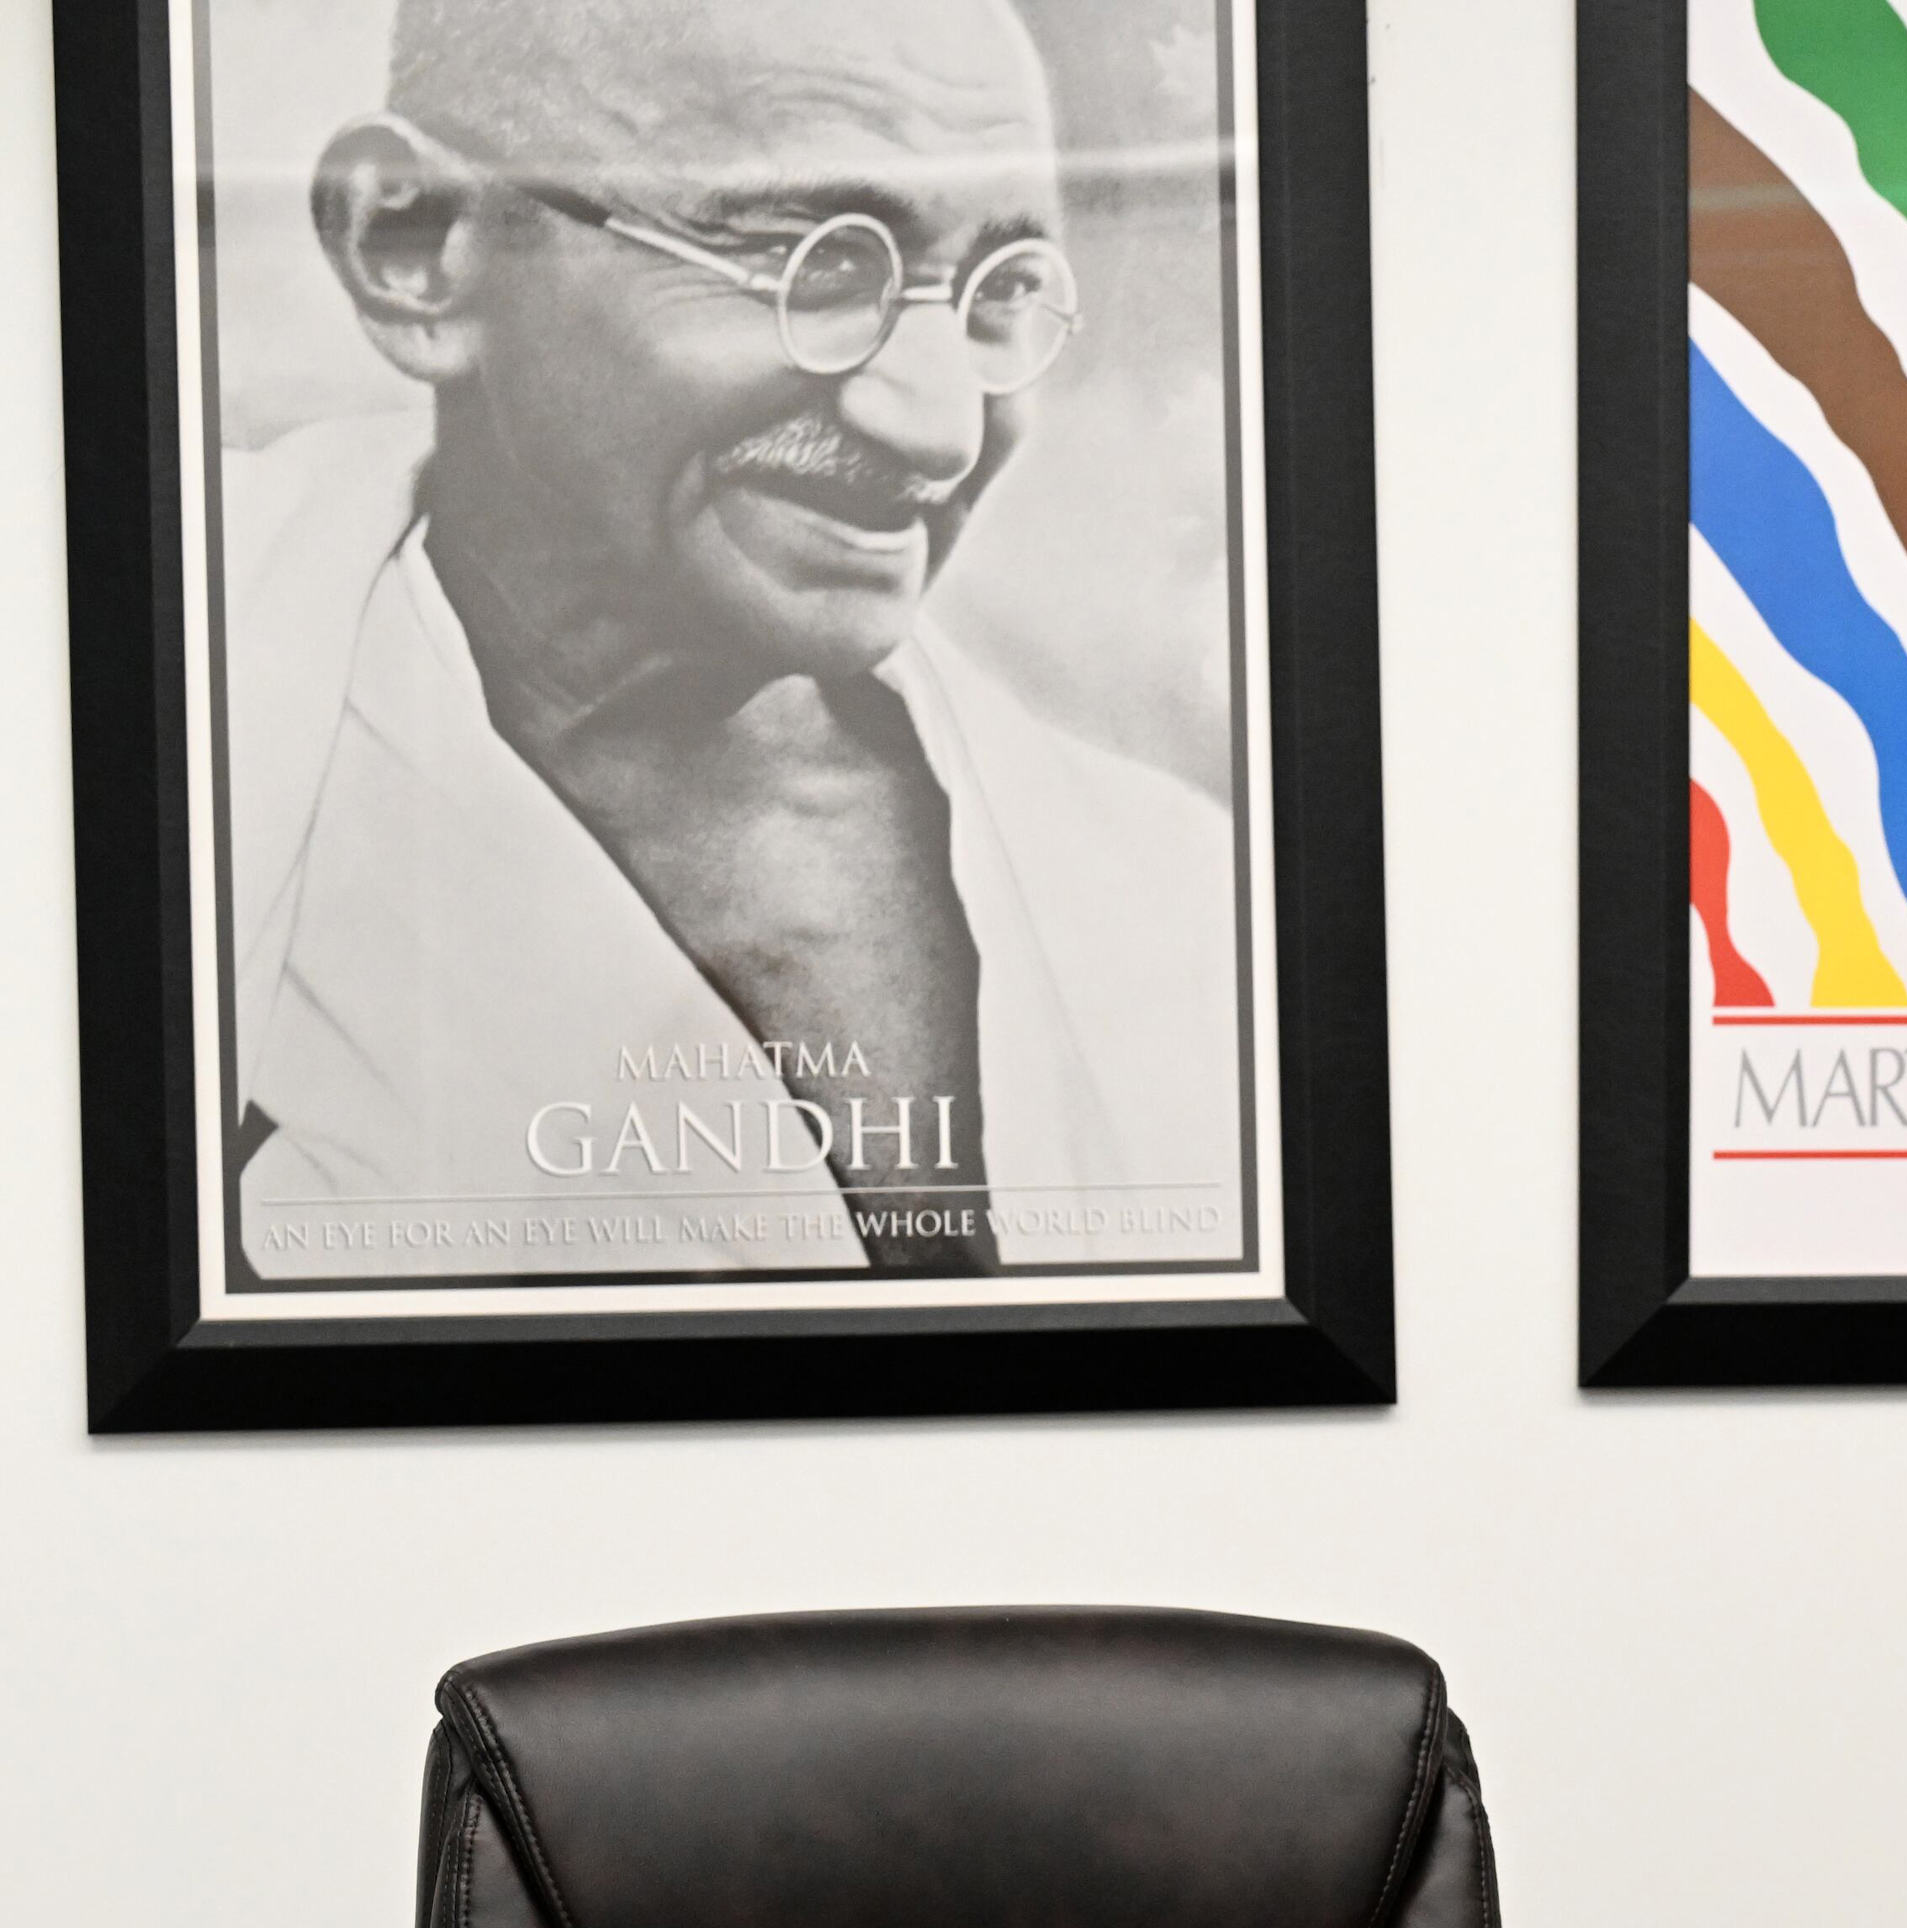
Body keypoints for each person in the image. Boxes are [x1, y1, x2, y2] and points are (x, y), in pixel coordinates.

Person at [226, 0, 1242, 1282]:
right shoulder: (157, 746)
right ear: (415, 243)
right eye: (812, 261)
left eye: (1000, 293)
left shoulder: (1170, 905)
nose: (941, 430)